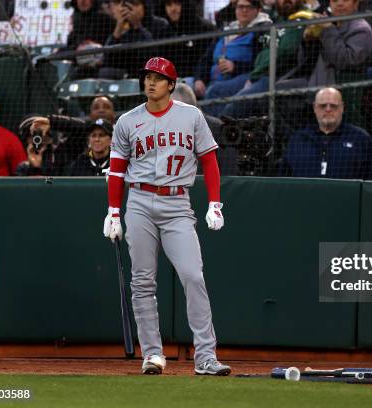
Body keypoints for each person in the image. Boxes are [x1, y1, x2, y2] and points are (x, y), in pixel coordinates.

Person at [103, 57, 231, 376]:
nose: (150, 82)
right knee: (143, 281)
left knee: (192, 275)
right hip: (140, 200)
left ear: (171, 85)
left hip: (177, 203)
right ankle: (153, 354)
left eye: (158, 78)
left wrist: (215, 203)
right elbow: (117, 171)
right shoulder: (127, 121)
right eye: (147, 76)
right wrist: (114, 211)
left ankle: (205, 356)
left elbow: (210, 162)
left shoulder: (191, 116)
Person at [219, 0, 308, 119]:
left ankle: (216, 132)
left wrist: (254, 76)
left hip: (276, 76)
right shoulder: (278, 21)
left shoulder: (301, 19)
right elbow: (262, 54)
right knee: (216, 91)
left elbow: (284, 51)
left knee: (235, 106)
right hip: (257, 75)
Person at [278, 87, 372, 179]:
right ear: (315, 108)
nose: (328, 109)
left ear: (342, 108)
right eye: (323, 106)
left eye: (333, 106)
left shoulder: (360, 139)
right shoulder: (298, 140)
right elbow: (284, 179)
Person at [193, 0, 272, 116]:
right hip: (211, 78)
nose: (244, 10)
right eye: (240, 7)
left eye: (249, 7)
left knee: (215, 90)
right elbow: (206, 59)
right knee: (184, 87)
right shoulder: (226, 30)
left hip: (242, 76)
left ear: (258, 10)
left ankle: (212, 130)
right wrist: (199, 79)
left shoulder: (263, 29)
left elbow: (259, 62)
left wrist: (235, 66)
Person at [100, 0, 169, 79]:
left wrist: (138, 25)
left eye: (135, 5)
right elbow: (107, 60)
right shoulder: (124, 30)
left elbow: (155, 55)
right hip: (128, 78)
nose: (131, 10)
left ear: (144, 6)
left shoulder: (160, 24)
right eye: (128, 6)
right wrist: (118, 28)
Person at [158, 0, 217, 85]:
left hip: (198, 80)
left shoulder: (203, 27)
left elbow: (206, 59)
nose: (173, 9)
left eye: (177, 3)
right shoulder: (164, 32)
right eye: (169, 5)